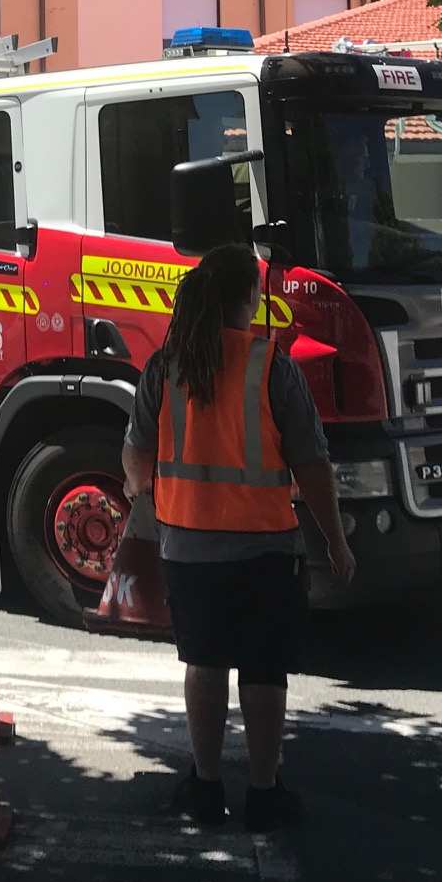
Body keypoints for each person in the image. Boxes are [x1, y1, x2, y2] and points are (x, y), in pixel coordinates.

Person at [120, 244, 355, 831]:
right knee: (263, 669)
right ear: (248, 298)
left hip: (187, 547)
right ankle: (264, 792)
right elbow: (312, 465)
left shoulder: (166, 366)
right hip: (264, 547)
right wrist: (336, 542)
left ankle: (204, 787)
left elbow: (135, 458)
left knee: (204, 663)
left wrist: (141, 489)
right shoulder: (271, 365)